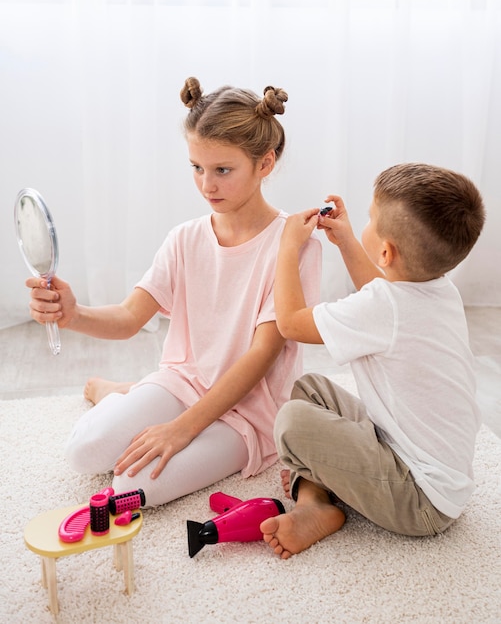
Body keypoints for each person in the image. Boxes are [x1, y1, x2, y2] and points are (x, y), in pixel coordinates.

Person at [26, 77, 322, 507]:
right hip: (181, 381)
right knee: (83, 452)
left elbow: (261, 357)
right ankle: (120, 392)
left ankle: (126, 393)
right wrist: (73, 314)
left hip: (248, 412)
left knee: (132, 487)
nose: (207, 185)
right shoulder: (185, 238)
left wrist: (182, 427)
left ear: (265, 164)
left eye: (223, 170)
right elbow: (130, 318)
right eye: (196, 168)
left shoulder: (294, 243)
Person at [260, 162, 486, 559]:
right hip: (411, 455)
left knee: (292, 421)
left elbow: (292, 324)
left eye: (369, 219)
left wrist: (287, 248)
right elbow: (381, 292)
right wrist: (348, 240)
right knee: (310, 389)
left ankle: (315, 498)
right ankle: (317, 502)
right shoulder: (439, 289)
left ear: (385, 251)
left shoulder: (385, 308)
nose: (364, 222)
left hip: (421, 502)